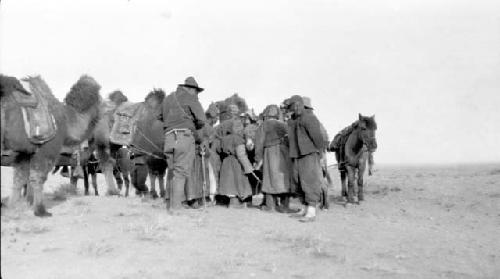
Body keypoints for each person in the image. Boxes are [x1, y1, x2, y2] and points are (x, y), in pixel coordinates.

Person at [161, 76, 206, 212]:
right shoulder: (191, 98)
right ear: (191, 89)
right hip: (184, 136)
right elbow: (202, 120)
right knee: (180, 172)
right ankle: (175, 208)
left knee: (172, 171)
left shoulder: (168, 98)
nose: (197, 94)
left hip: (168, 137)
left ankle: (169, 203)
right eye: (196, 91)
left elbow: (159, 116)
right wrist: (192, 123)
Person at [286, 95, 326, 222]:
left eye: (296, 106)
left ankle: (311, 211)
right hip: (296, 155)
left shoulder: (309, 117)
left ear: (301, 105)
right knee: (297, 181)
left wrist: (320, 154)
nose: (295, 109)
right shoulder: (293, 120)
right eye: (292, 107)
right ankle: (304, 208)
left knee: (309, 181)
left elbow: (318, 138)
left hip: (309, 154)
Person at [254, 104, 296, 213]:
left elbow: (259, 143)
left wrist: (258, 159)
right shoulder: (284, 125)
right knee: (284, 178)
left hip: (270, 152)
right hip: (285, 152)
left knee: (269, 178)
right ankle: (284, 206)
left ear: (266, 114)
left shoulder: (263, 126)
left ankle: (270, 206)